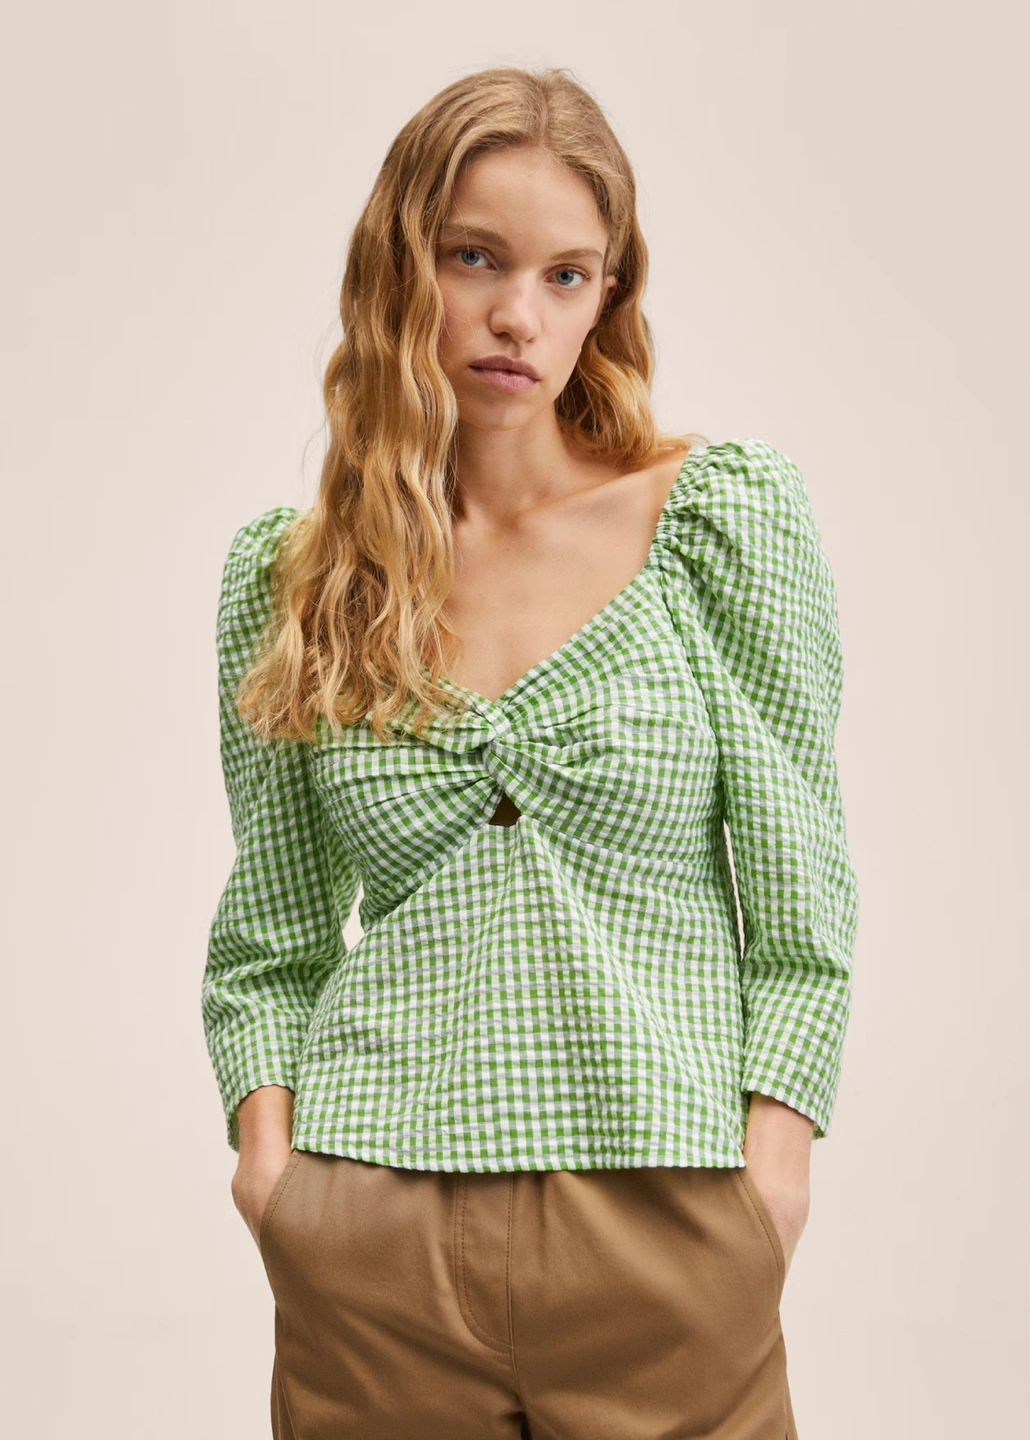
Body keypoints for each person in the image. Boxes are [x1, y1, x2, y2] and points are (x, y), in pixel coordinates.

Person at [202, 65, 859, 1440]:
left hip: (667, 1215)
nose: (519, 315)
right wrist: (275, 1174)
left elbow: (801, 897)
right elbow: (270, 937)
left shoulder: (716, 526)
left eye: (567, 276)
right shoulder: (296, 579)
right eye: (475, 258)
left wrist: (770, 1178)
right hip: (371, 1229)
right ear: (399, 267)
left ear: (607, 298)